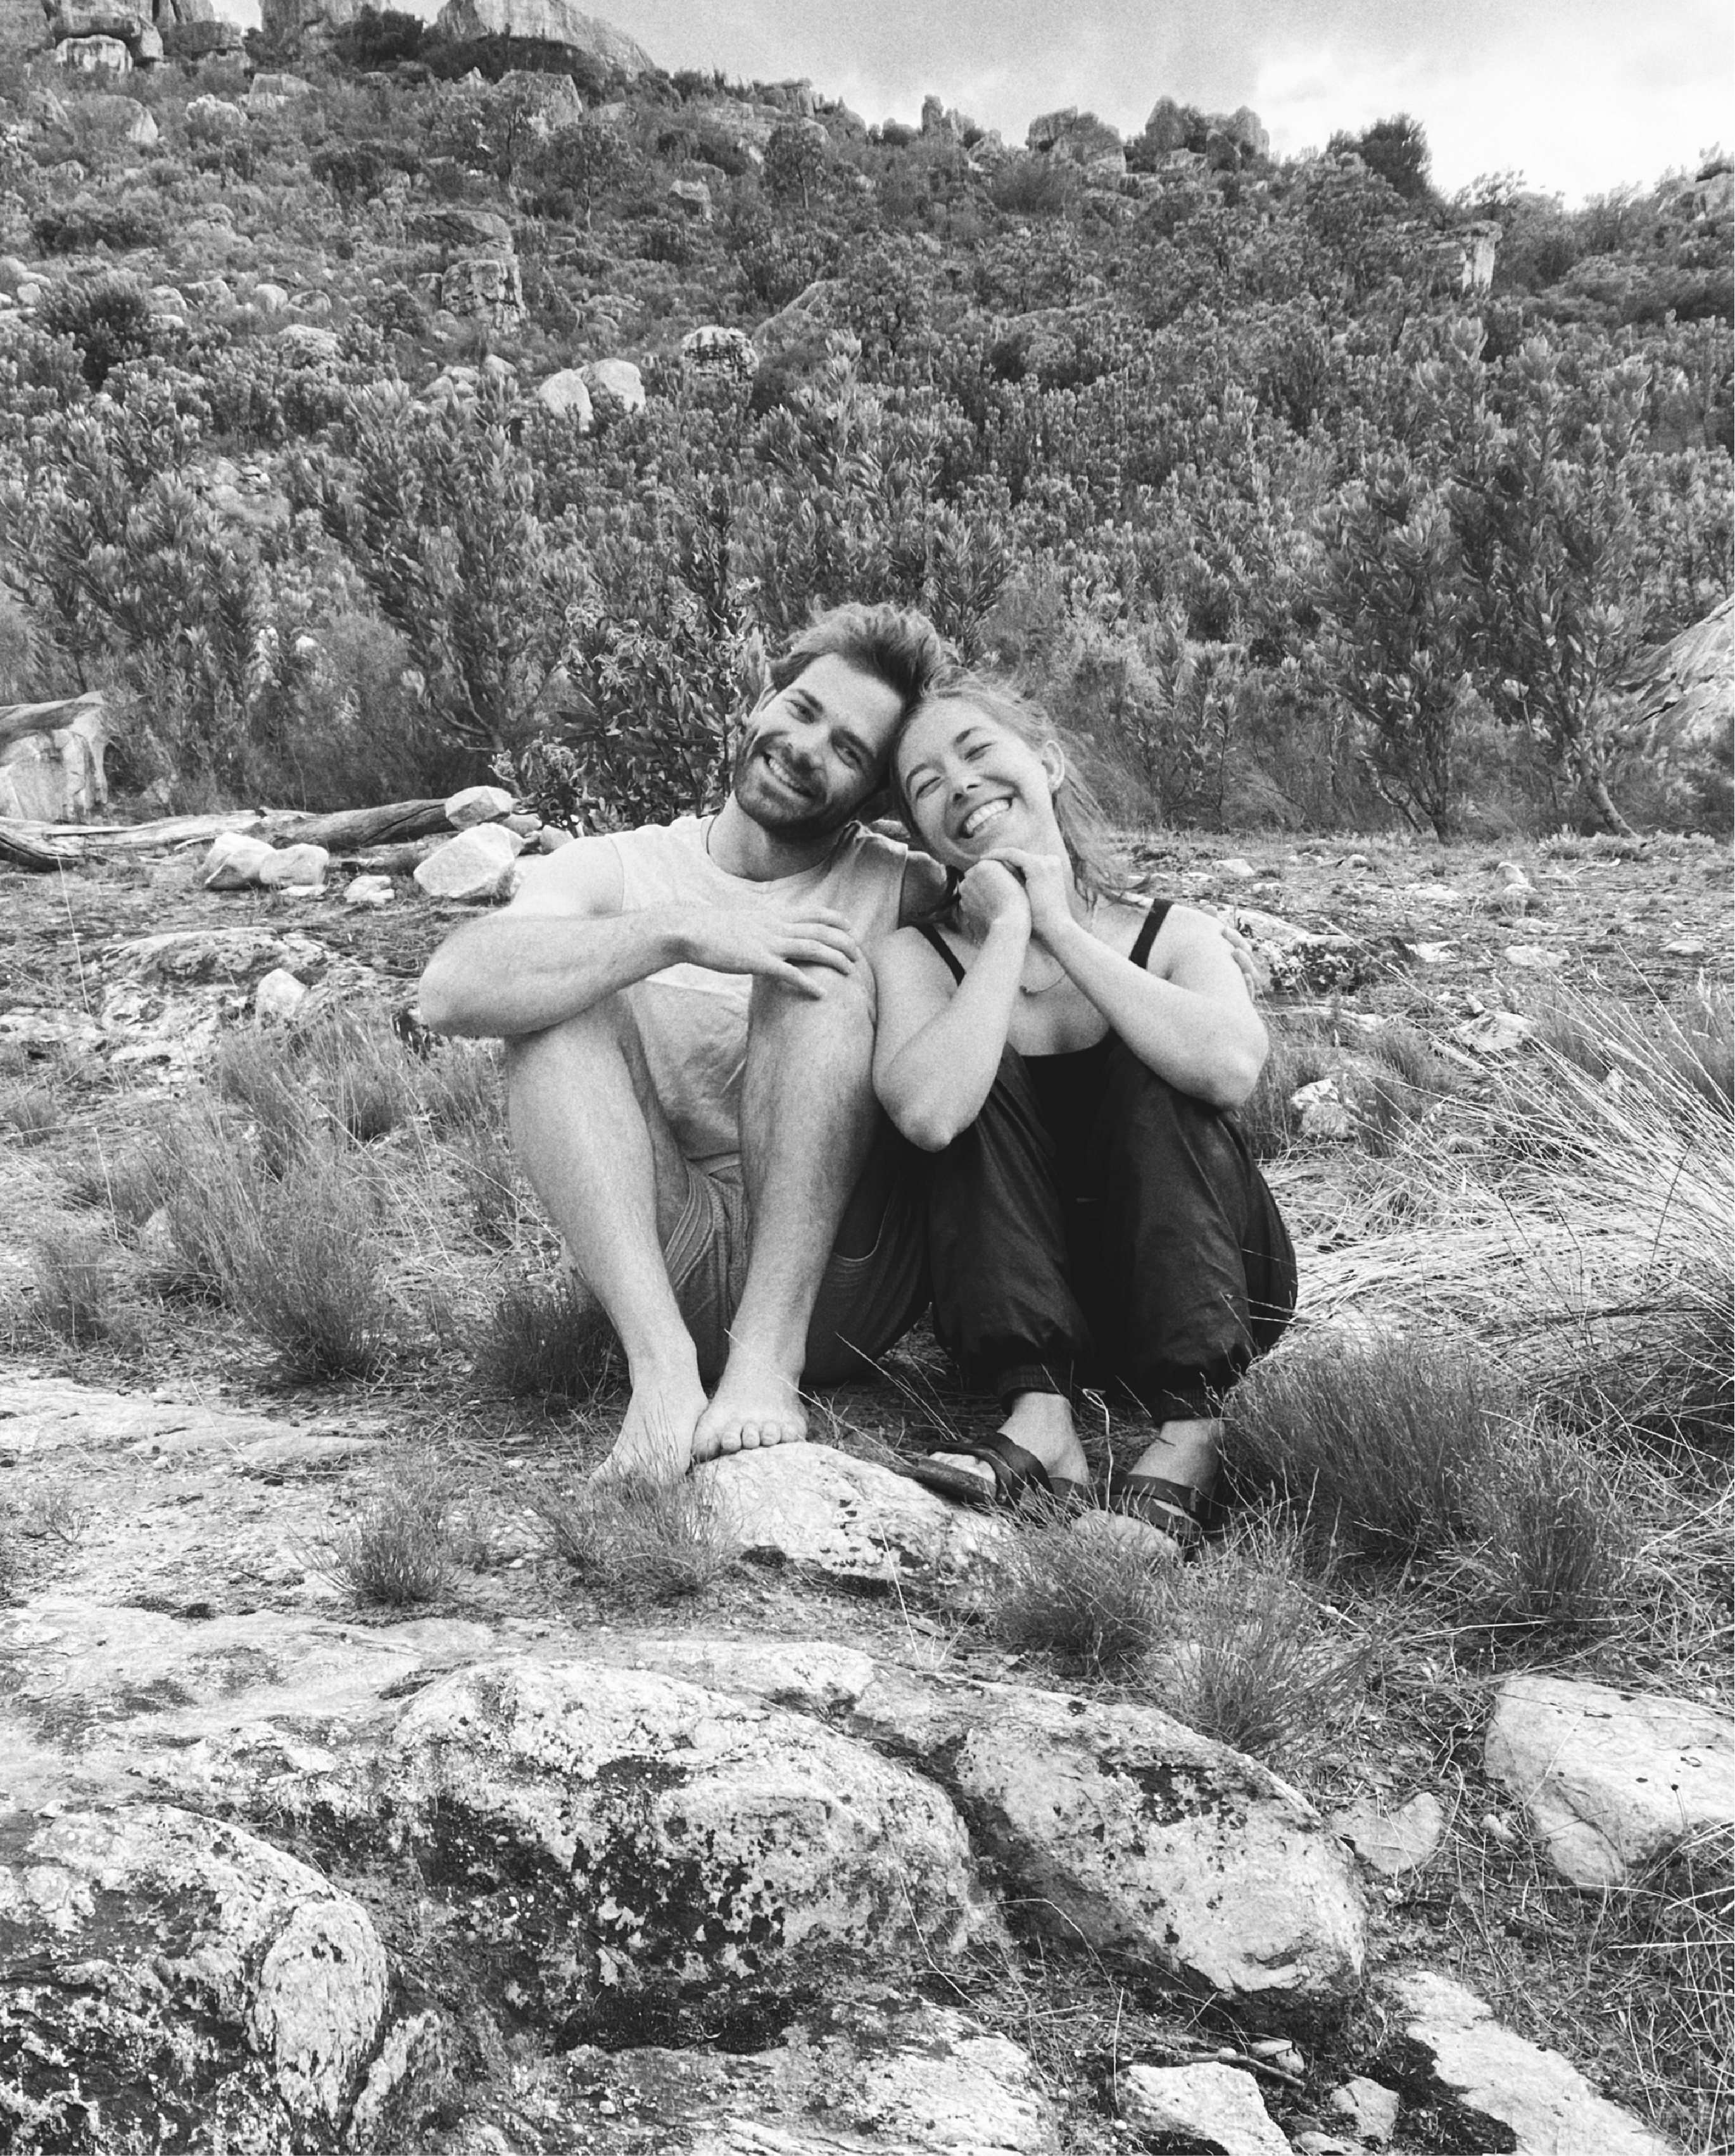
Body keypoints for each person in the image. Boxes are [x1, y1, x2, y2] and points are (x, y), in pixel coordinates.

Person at [418, 603, 952, 1479]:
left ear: (879, 792)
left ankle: (764, 1369)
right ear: (761, 704)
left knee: (817, 971)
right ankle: (663, 1375)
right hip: (673, 1262)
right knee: (557, 1005)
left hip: (839, 1282)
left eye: (851, 751)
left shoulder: (902, 887)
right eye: (804, 711)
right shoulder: (621, 867)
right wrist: (677, 932)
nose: (809, 748)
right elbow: (449, 992)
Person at [871, 676, 1297, 1551]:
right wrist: (1004, 939)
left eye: (979, 752)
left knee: (1159, 1060)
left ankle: (1194, 1429)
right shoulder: (915, 958)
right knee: (963, 1062)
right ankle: (1042, 1423)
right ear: (922, 835)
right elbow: (926, 1117)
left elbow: (1229, 1072)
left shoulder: (1173, 933)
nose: (959, 785)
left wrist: (1062, 928)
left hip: (1201, 1280)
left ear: (1049, 763)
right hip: (1027, 1299)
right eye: (925, 786)